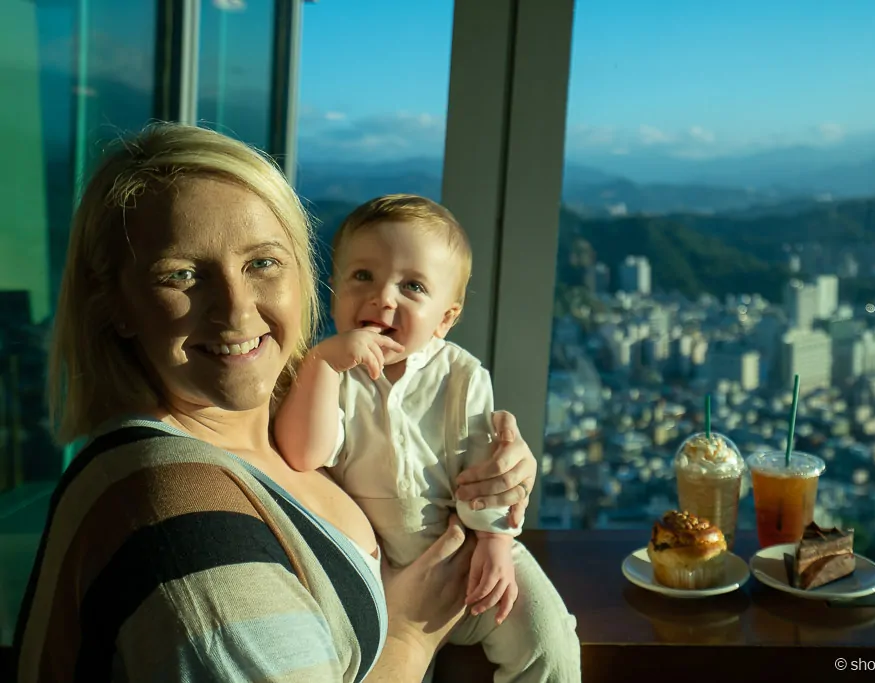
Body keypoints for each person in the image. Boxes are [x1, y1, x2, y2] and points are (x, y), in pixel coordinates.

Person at [14, 122, 539, 683]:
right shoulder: (184, 528)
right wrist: (411, 636)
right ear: (115, 304)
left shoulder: (284, 410)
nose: (237, 312)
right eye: (182, 274)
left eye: (263, 262)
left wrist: (493, 475)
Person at [274, 195, 582, 682]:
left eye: (412, 286)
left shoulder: (462, 375)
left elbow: (488, 471)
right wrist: (325, 363)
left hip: (470, 549)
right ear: (333, 292)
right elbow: (302, 452)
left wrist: (496, 543)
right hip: (373, 575)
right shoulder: (328, 372)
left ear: (445, 318)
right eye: (362, 277)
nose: (383, 298)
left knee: (550, 641)